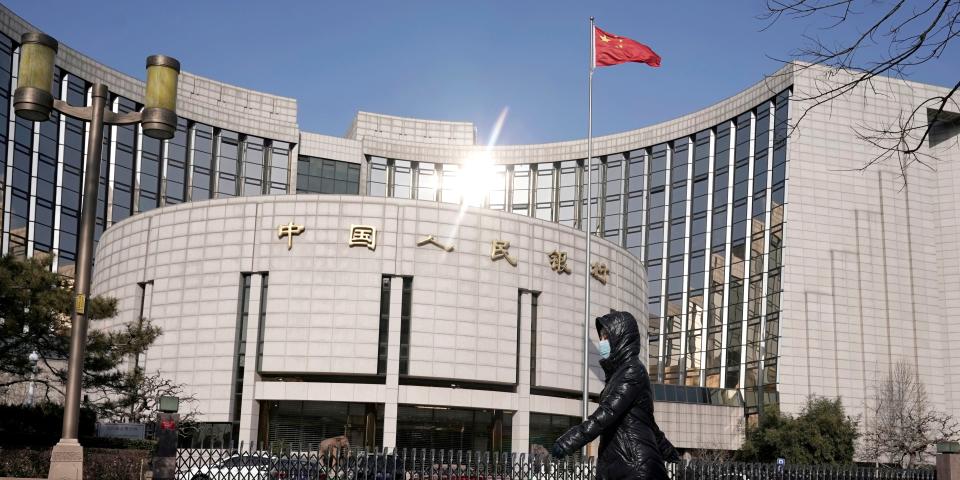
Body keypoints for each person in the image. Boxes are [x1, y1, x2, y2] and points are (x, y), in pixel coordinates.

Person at [551, 310, 679, 479]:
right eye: (601, 337)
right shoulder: (619, 374)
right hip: (624, 464)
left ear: (620, 338)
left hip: (633, 467)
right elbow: (647, 422)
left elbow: (606, 414)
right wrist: (668, 450)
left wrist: (568, 441)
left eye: (606, 337)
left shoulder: (632, 371)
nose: (602, 342)